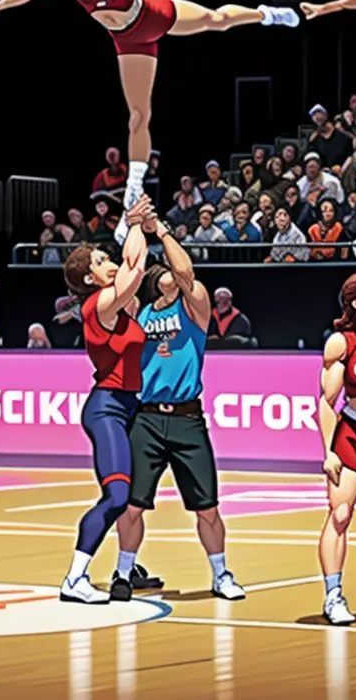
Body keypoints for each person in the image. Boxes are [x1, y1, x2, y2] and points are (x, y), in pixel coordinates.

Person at [0, 0, 298, 243]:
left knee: (216, 20)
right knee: (138, 116)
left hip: (150, 14)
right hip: (127, 40)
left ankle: (266, 14)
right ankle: (134, 188)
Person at [110, 214, 245, 603]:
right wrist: (136, 223)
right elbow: (131, 269)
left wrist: (161, 228)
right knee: (132, 505)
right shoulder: (140, 310)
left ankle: (221, 574)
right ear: (155, 282)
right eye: (164, 272)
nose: (173, 273)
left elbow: (186, 272)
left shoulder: (193, 307)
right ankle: (123, 571)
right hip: (147, 418)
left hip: (188, 418)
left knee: (207, 508)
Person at [58, 196, 152, 603]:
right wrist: (134, 222)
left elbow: (133, 264)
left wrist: (138, 225)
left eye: (104, 256)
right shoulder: (100, 304)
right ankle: (74, 578)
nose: (107, 261)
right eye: (99, 260)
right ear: (90, 279)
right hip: (108, 407)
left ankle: (128, 568)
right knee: (116, 496)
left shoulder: (121, 303)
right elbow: (134, 269)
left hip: (131, 407)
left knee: (133, 499)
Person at [316, 272, 356, 625]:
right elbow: (327, 401)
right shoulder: (342, 343)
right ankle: (333, 595)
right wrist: (329, 450)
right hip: (353, 432)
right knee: (341, 513)